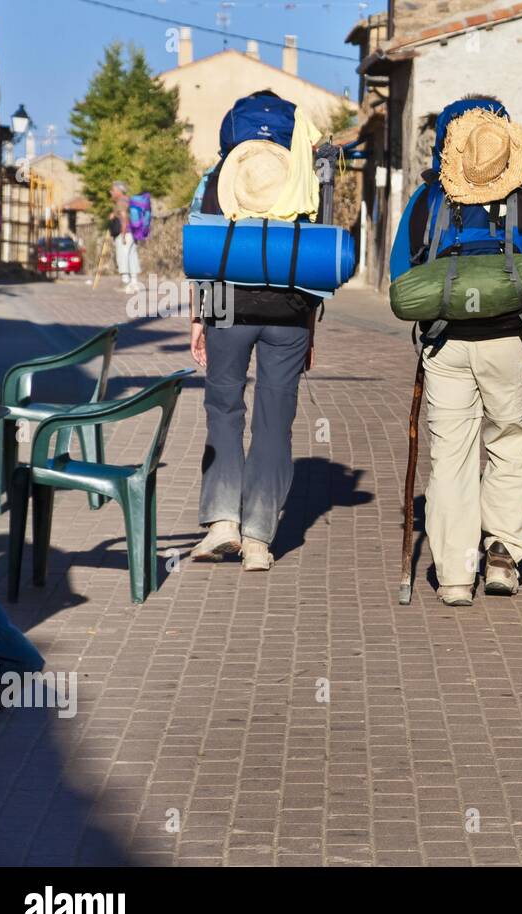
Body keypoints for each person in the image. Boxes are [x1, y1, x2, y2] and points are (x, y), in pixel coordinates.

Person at [389, 96, 522, 607]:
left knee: (451, 458)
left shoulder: (427, 200)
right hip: (510, 340)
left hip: (445, 343)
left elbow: (403, 274)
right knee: (509, 443)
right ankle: (503, 558)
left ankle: (453, 576)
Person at [188, 91, 324, 571]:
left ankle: (222, 523)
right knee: (274, 420)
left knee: (223, 407)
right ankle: (260, 540)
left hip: (225, 303)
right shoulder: (304, 182)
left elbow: (200, 251)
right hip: (289, 310)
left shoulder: (217, 178)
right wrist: (310, 326)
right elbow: (316, 261)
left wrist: (198, 317)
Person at [109, 181, 142, 294]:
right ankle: (134, 282)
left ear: (118, 191)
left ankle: (126, 282)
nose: (111, 192)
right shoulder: (128, 200)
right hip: (133, 233)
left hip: (125, 233)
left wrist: (123, 234)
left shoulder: (120, 202)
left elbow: (123, 217)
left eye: (113, 190)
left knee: (123, 256)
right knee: (132, 256)